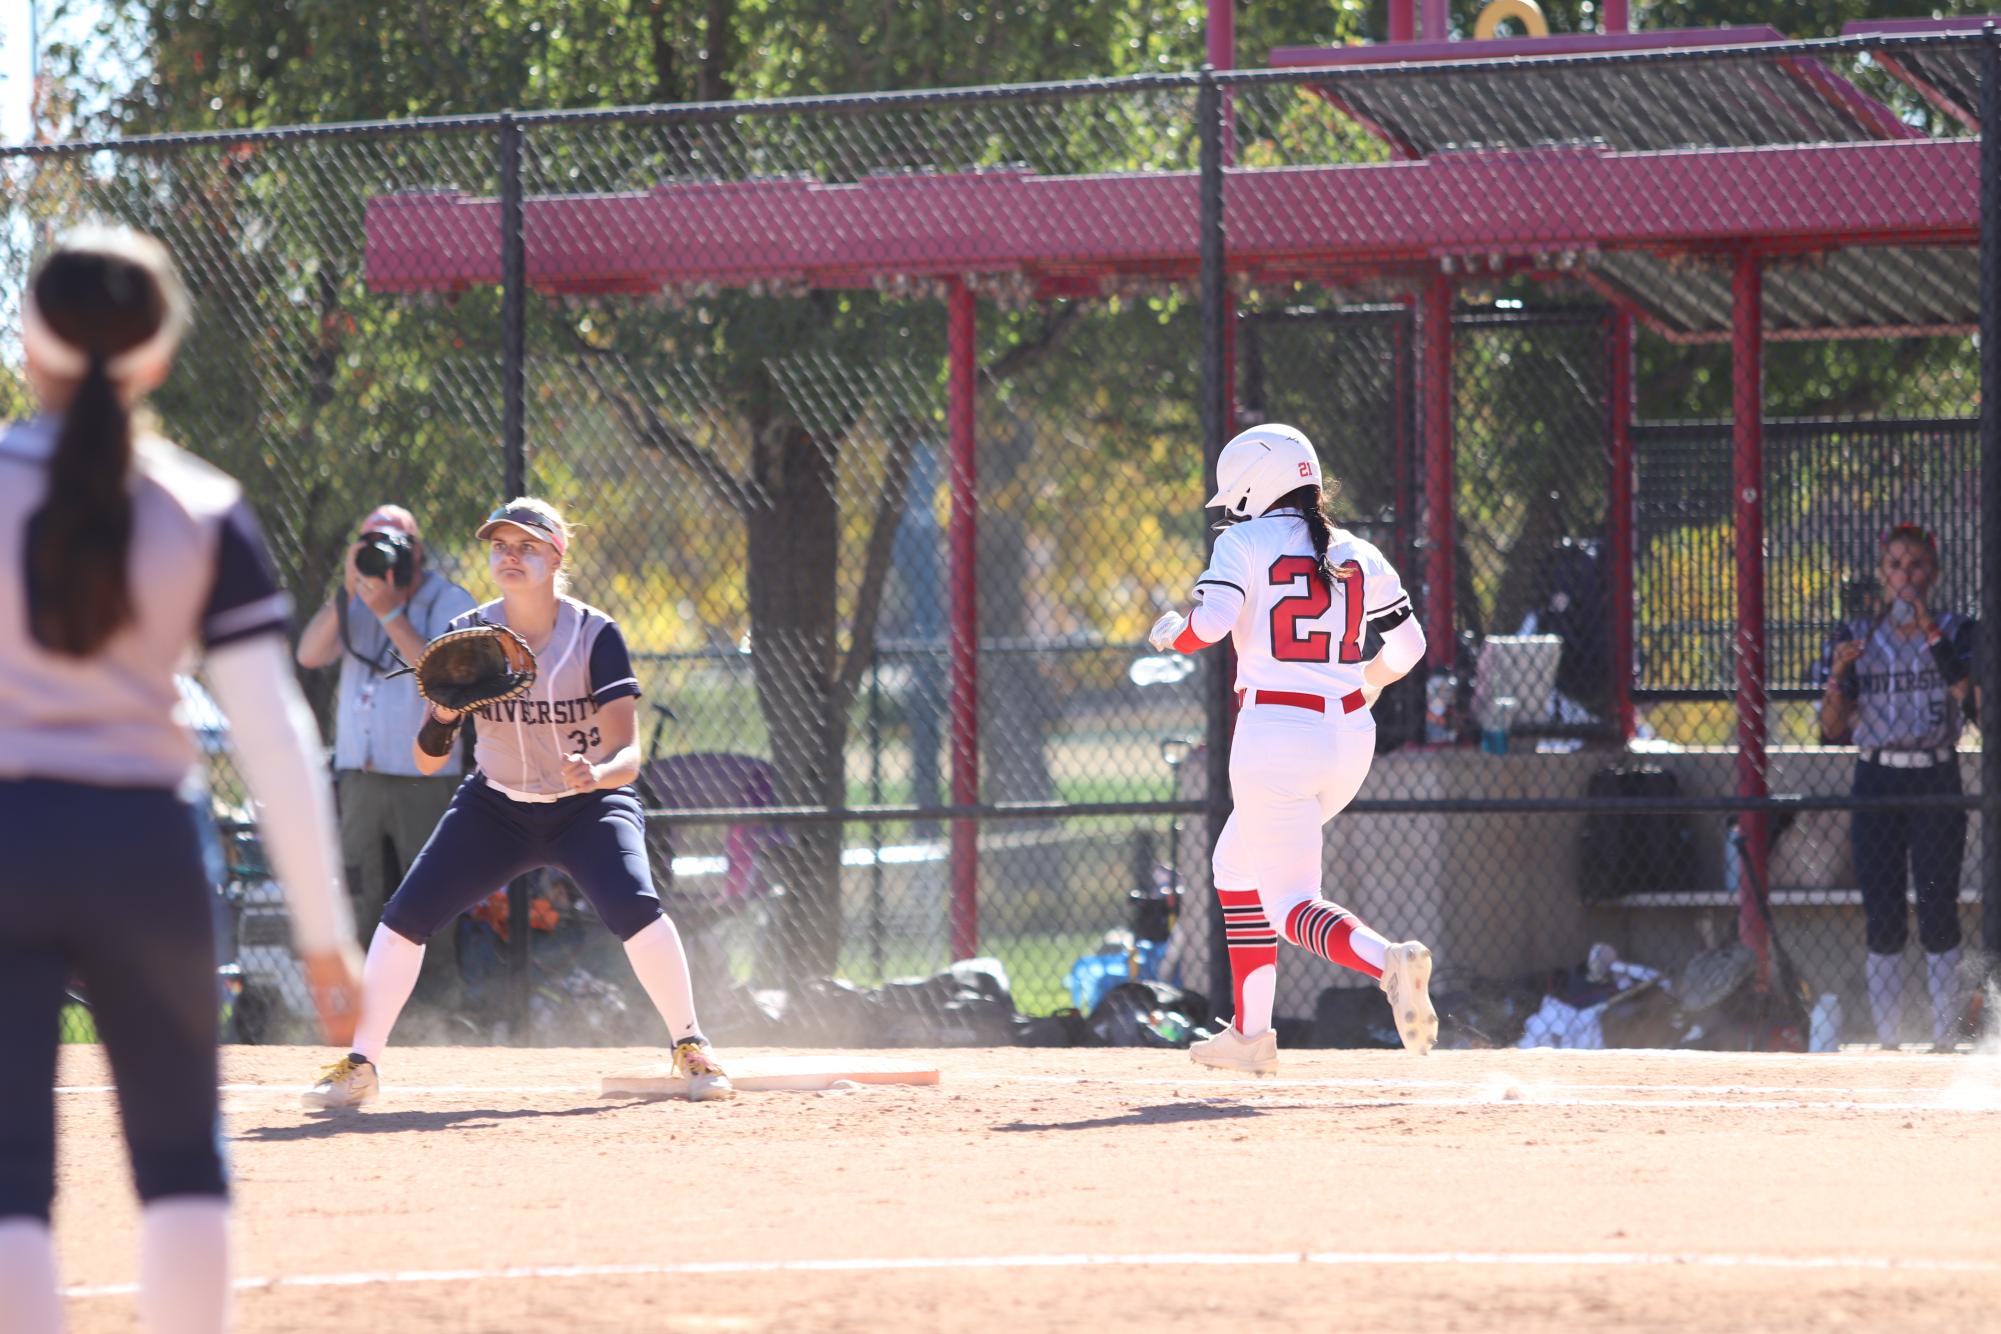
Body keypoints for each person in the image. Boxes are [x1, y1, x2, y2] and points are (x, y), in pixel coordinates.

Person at [0, 229, 360, 1334]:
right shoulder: (205, 505)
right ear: (158, 357)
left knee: (10, 1179)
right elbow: (277, 734)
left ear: (28, 341)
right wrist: (326, 934)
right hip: (149, 850)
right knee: (180, 1160)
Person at [304, 497, 735, 1106]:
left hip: (587, 806)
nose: (509, 555)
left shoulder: (595, 634)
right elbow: (428, 759)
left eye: (526, 545)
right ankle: (360, 1063)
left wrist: (598, 776)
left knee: (634, 905)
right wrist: (446, 715)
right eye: (500, 545)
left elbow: (629, 756)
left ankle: (690, 1043)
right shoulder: (469, 636)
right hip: (496, 806)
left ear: (557, 556)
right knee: (404, 916)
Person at [1148, 424, 1435, 1075]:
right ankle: (1250, 1036)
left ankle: (1386, 961)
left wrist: (1172, 633)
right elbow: (1409, 649)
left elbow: (1209, 627)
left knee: (1289, 905)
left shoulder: (1242, 542)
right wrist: (1363, 684)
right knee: (1232, 867)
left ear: (1253, 484)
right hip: (1348, 738)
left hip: (1274, 738)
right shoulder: (1359, 549)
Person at [296, 504, 477, 1016]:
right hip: (361, 779)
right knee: (359, 893)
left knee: (429, 896)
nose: (383, 554)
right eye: (370, 542)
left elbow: (445, 672)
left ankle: (441, 1015)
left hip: (424, 777)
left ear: (417, 551)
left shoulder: (447, 600)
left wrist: (391, 613)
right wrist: (349, 590)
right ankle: (358, 1016)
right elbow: (309, 654)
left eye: (393, 543)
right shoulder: (355, 598)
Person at [1817, 523, 1979, 1051]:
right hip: (1878, 776)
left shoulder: (1958, 629)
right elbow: (1832, 727)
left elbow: (1971, 701)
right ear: (1882, 576)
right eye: (1895, 567)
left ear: (1932, 574)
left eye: (1915, 567)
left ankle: (1944, 1039)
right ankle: (1888, 1043)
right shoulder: (1859, 636)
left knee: (1938, 907)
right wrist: (1841, 674)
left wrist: (1930, 631)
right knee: (1883, 911)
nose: (1905, 577)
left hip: (1935, 773)